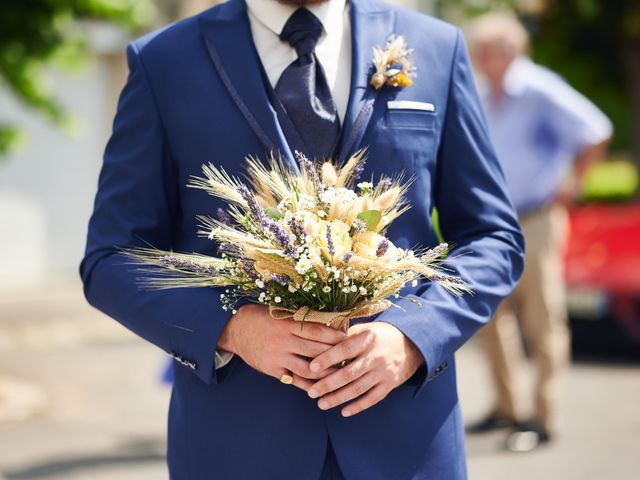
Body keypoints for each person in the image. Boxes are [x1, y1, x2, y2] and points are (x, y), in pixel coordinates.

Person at [80, 0, 524, 478]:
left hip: (406, 443)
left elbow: (493, 237)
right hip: (237, 446)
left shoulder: (437, 46)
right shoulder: (165, 61)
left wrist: (416, 335)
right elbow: (111, 258)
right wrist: (231, 328)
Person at [468, 13, 612, 451]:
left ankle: (543, 417)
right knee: (492, 319)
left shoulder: (538, 86)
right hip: (492, 222)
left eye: (498, 50)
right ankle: (508, 408)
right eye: (484, 51)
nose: (490, 58)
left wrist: (573, 184)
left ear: (515, 51)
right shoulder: (479, 91)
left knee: (543, 318)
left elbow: (597, 130)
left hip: (535, 219)